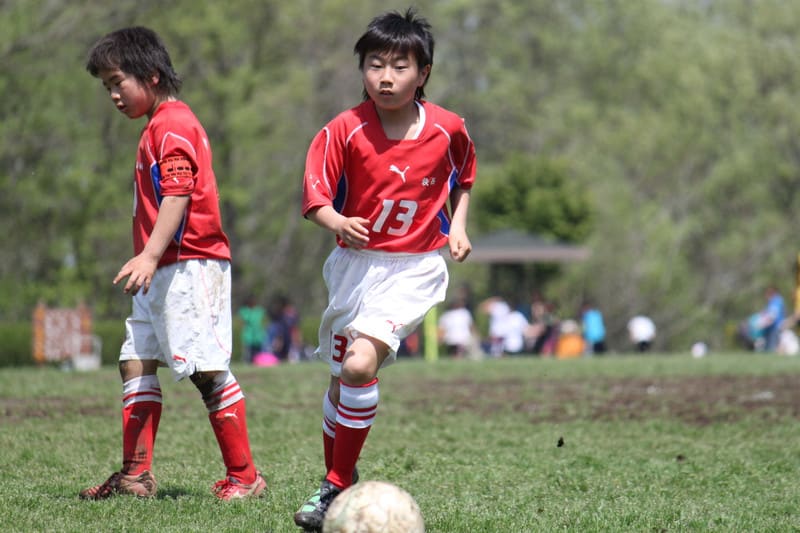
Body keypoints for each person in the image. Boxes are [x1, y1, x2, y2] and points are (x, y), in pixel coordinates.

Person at [293, 8, 477, 531]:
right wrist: (337, 219)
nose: (386, 76)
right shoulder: (342, 131)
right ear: (362, 70)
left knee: (357, 367)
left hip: (414, 267)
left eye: (400, 65)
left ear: (423, 73)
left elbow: (464, 176)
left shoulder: (448, 129)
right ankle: (339, 478)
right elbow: (313, 199)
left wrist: (457, 228)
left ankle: (333, 485)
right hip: (353, 268)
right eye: (376, 64)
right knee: (338, 384)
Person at [80, 27, 265, 501]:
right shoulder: (157, 126)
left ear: (153, 74)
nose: (114, 94)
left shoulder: (172, 125)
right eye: (106, 86)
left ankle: (245, 477)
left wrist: (149, 252)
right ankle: (135, 476)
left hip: (188, 265)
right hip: (161, 268)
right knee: (135, 362)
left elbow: (179, 193)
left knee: (205, 369)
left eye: (119, 81)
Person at [238, 296, 266, 363]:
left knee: (257, 355)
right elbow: (243, 321)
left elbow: (263, 321)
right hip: (248, 336)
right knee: (248, 354)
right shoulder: (244, 311)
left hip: (258, 337)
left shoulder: (259, 311)